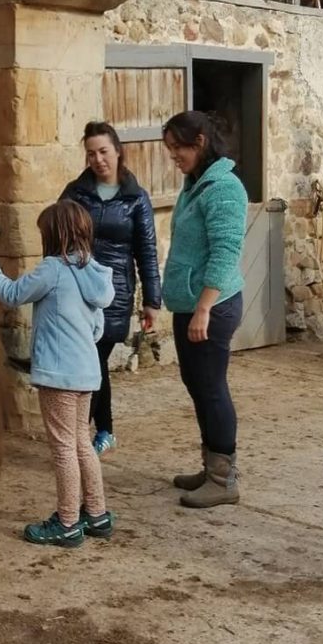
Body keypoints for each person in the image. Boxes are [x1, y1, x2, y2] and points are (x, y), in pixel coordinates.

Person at [0, 201, 113, 548]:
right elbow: (97, 330)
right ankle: (97, 514)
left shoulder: (53, 269)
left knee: (63, 449)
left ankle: (68, 522)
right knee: (82, 443)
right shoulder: (95, 274)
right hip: (87, 374)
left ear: (55, 235)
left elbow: (13, 294)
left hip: (59, 376)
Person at [161, 111, 249, 510]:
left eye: (177, 148)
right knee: (197, 384)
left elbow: (226, 251)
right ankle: (211, 465)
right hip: (192, 305)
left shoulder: (224, 188)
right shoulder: (196, 184)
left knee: (212, 388)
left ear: (199, 142)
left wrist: (204, 308)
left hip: (212, 307)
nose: (173, 157)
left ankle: (223, 479)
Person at [60, 120, 162, 456]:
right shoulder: (75, 193)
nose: (98, 159)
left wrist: (152, 301)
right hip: (78, 292)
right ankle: (102, 431)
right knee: (93, 363)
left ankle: (81, 434)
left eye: (103, 151)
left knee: (95, 360)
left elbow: (147, 251)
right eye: (91, 153)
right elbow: (56, 231)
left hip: (114, 294)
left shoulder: (136, 198)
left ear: (118, 151)